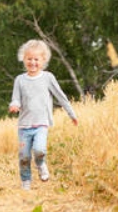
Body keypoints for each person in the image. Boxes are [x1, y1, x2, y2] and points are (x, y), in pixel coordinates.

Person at [8, 39, 78, 190]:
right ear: (23, 59)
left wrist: (71, 114)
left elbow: (61, 96)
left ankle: (41, 164)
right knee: (24, 156)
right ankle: (26, 181)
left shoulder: (48, 78)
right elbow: (15, 98)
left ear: (43, 60)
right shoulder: (19, 80)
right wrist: (14, 104)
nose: (32, 62)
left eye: (36, 59)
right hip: (24, 125)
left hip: (41, 123)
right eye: (29, 59)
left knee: (39, 150)